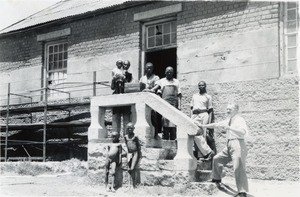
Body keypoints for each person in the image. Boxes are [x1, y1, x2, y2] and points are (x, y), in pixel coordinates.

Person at [196, 102, 249, 197]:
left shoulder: (240, 120)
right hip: (229, 145)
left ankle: (242, 192)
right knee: (217, 159)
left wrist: (230, 128)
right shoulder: (229, 120)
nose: (227, 111)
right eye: (227, 109)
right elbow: (216, 124)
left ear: (236, 110)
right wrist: (203, 126)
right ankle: (217, 179)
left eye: (230, 109)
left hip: (238, 144)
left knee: (238, 167)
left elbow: (242, 132)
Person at [151, 67, 181, 140]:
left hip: (174, 104)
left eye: (171, 72)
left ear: (173, 73)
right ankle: (166, 138)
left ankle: (173, 138)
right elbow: (157, 90)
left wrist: (179, 106)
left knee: (173, 122)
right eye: (168, 72)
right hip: (165, 104)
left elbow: (179, 95)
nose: (169, 73)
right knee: (165, 121)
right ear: (165, 72)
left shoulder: (176, 81)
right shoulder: (162, 81)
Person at [191, 81, 215, 160]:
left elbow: (210, 110)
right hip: (195, 115)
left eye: (202, 85)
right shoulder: (194, 96)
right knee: (194, 132)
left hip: (204, 114)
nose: (201, 87)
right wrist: (191, 117)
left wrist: (209, 123)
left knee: (203, 134)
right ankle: (206, 152)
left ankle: (203, 155)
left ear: (205, 86)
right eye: (199, 85)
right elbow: (191, 108)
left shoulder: (208, 97)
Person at [111, 60, 133, 136]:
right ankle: (115, 135)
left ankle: (126, 136)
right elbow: (112, 87)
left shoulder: (129, 75)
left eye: (127, 65)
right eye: (124, 64)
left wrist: (124, 79)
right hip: (117, 97)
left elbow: (130, 86)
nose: (125, 66)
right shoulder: (116, 73)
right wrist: (113, 79)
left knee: (126, 118)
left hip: (126, 98)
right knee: (116, 117)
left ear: (129, 66)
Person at [140, 62, 161, 138]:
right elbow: (141, 88)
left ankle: (155, 134)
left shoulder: (156, 77)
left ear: (153, 69)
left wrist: (151, 90)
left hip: (152, 99)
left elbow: (157, 86)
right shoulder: (142, 78)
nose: (149, 69)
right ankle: (146, 134)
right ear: (145, 68)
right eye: (147, 68)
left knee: (154, 117)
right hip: (144, 99)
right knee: (145, 117)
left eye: (150, 68)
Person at [124, 122, 141, 189]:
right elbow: (125, 145)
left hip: (135, 153)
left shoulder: (135, 137)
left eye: (131, 128)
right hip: (129, 154)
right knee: (128, 169)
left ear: (133, 129)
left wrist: (139, 156)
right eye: (128, 128)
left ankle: (134, 184)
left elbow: (138, 146)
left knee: (132, 168)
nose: (130, 129)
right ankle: (129, 184)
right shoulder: (125, 137)